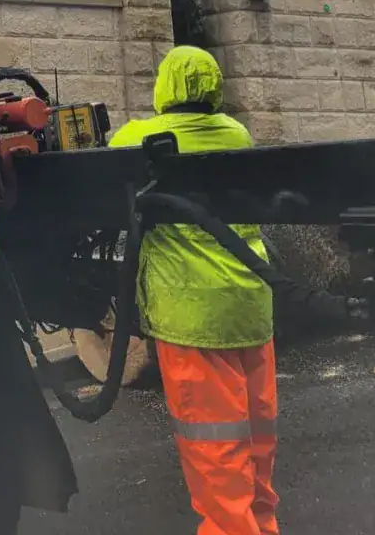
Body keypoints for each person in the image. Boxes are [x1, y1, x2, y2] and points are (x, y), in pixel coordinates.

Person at [108, 45, 279, 535]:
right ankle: (262, 527)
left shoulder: (140, 137)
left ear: (166, 88)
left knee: (215, 448)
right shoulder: (237, 134)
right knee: (256, 438)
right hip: (250, 306)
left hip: (192, 316)